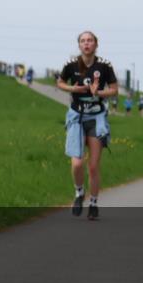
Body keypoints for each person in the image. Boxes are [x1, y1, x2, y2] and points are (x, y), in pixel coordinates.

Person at [56, 31, 118, 221]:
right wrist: (73, 89)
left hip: (96, 118)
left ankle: (93, 204)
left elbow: (115, 90)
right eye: (83, 41)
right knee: (76, 163)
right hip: (77, 116)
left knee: (92, 166)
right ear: (79, 45)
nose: (86, 44)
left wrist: (98, 92)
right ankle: (79, 192)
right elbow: (60, 82)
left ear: (96, 44)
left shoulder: (104, 66)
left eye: (90, 40)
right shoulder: (71, 65)